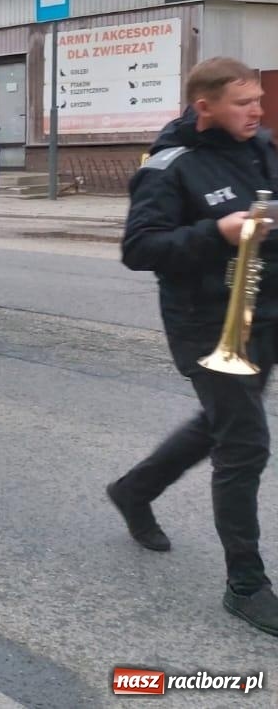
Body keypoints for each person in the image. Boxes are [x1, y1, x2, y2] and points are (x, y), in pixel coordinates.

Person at [108, 57, 276, 637]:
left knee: (222, 425)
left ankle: (135, 490)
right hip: (206, 324)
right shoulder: (168, 166)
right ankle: (246, 585)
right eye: (242, 102)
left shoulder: (261, 146)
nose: (256, 111)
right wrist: (218, 232)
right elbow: (140, 248)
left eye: (257, 100)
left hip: (264, 314)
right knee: (246, 442)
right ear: (204, 107)